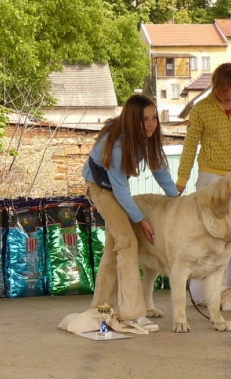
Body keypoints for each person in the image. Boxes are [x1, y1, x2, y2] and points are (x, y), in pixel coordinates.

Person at [82, 94, 179, 333]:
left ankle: (100, 309)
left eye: (154, 118)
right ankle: (133, 314)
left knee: (114, 246)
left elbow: (160, 170)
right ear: (132, 119)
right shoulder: (117, 145)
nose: (150, 123)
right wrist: (141, 220)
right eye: (144, 119)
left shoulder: (145, 139)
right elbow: (121, 190)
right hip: (99, 188)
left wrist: (177, 200)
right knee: (127, 242)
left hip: (114, 188)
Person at [176, 62, 231, 304]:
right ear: (214, 87)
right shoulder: (201, 109)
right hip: (210, 177)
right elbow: (190, 145)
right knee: (207, 232)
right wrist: (182, 179)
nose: (227, 94)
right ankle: (202, 294)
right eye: (222, 89)